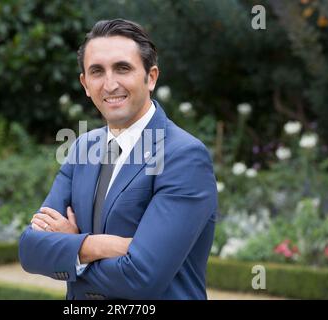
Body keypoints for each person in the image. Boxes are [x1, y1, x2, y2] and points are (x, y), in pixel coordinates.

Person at [19, 18, 218, 300]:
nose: (110, 84)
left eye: (122, 68)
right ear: (85, 84)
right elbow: (30, 250)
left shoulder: (183, 156)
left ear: (151, 77)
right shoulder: (82, 148)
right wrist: (98, 245)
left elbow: (141, 278)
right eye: (97, 72)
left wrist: (71, 249)